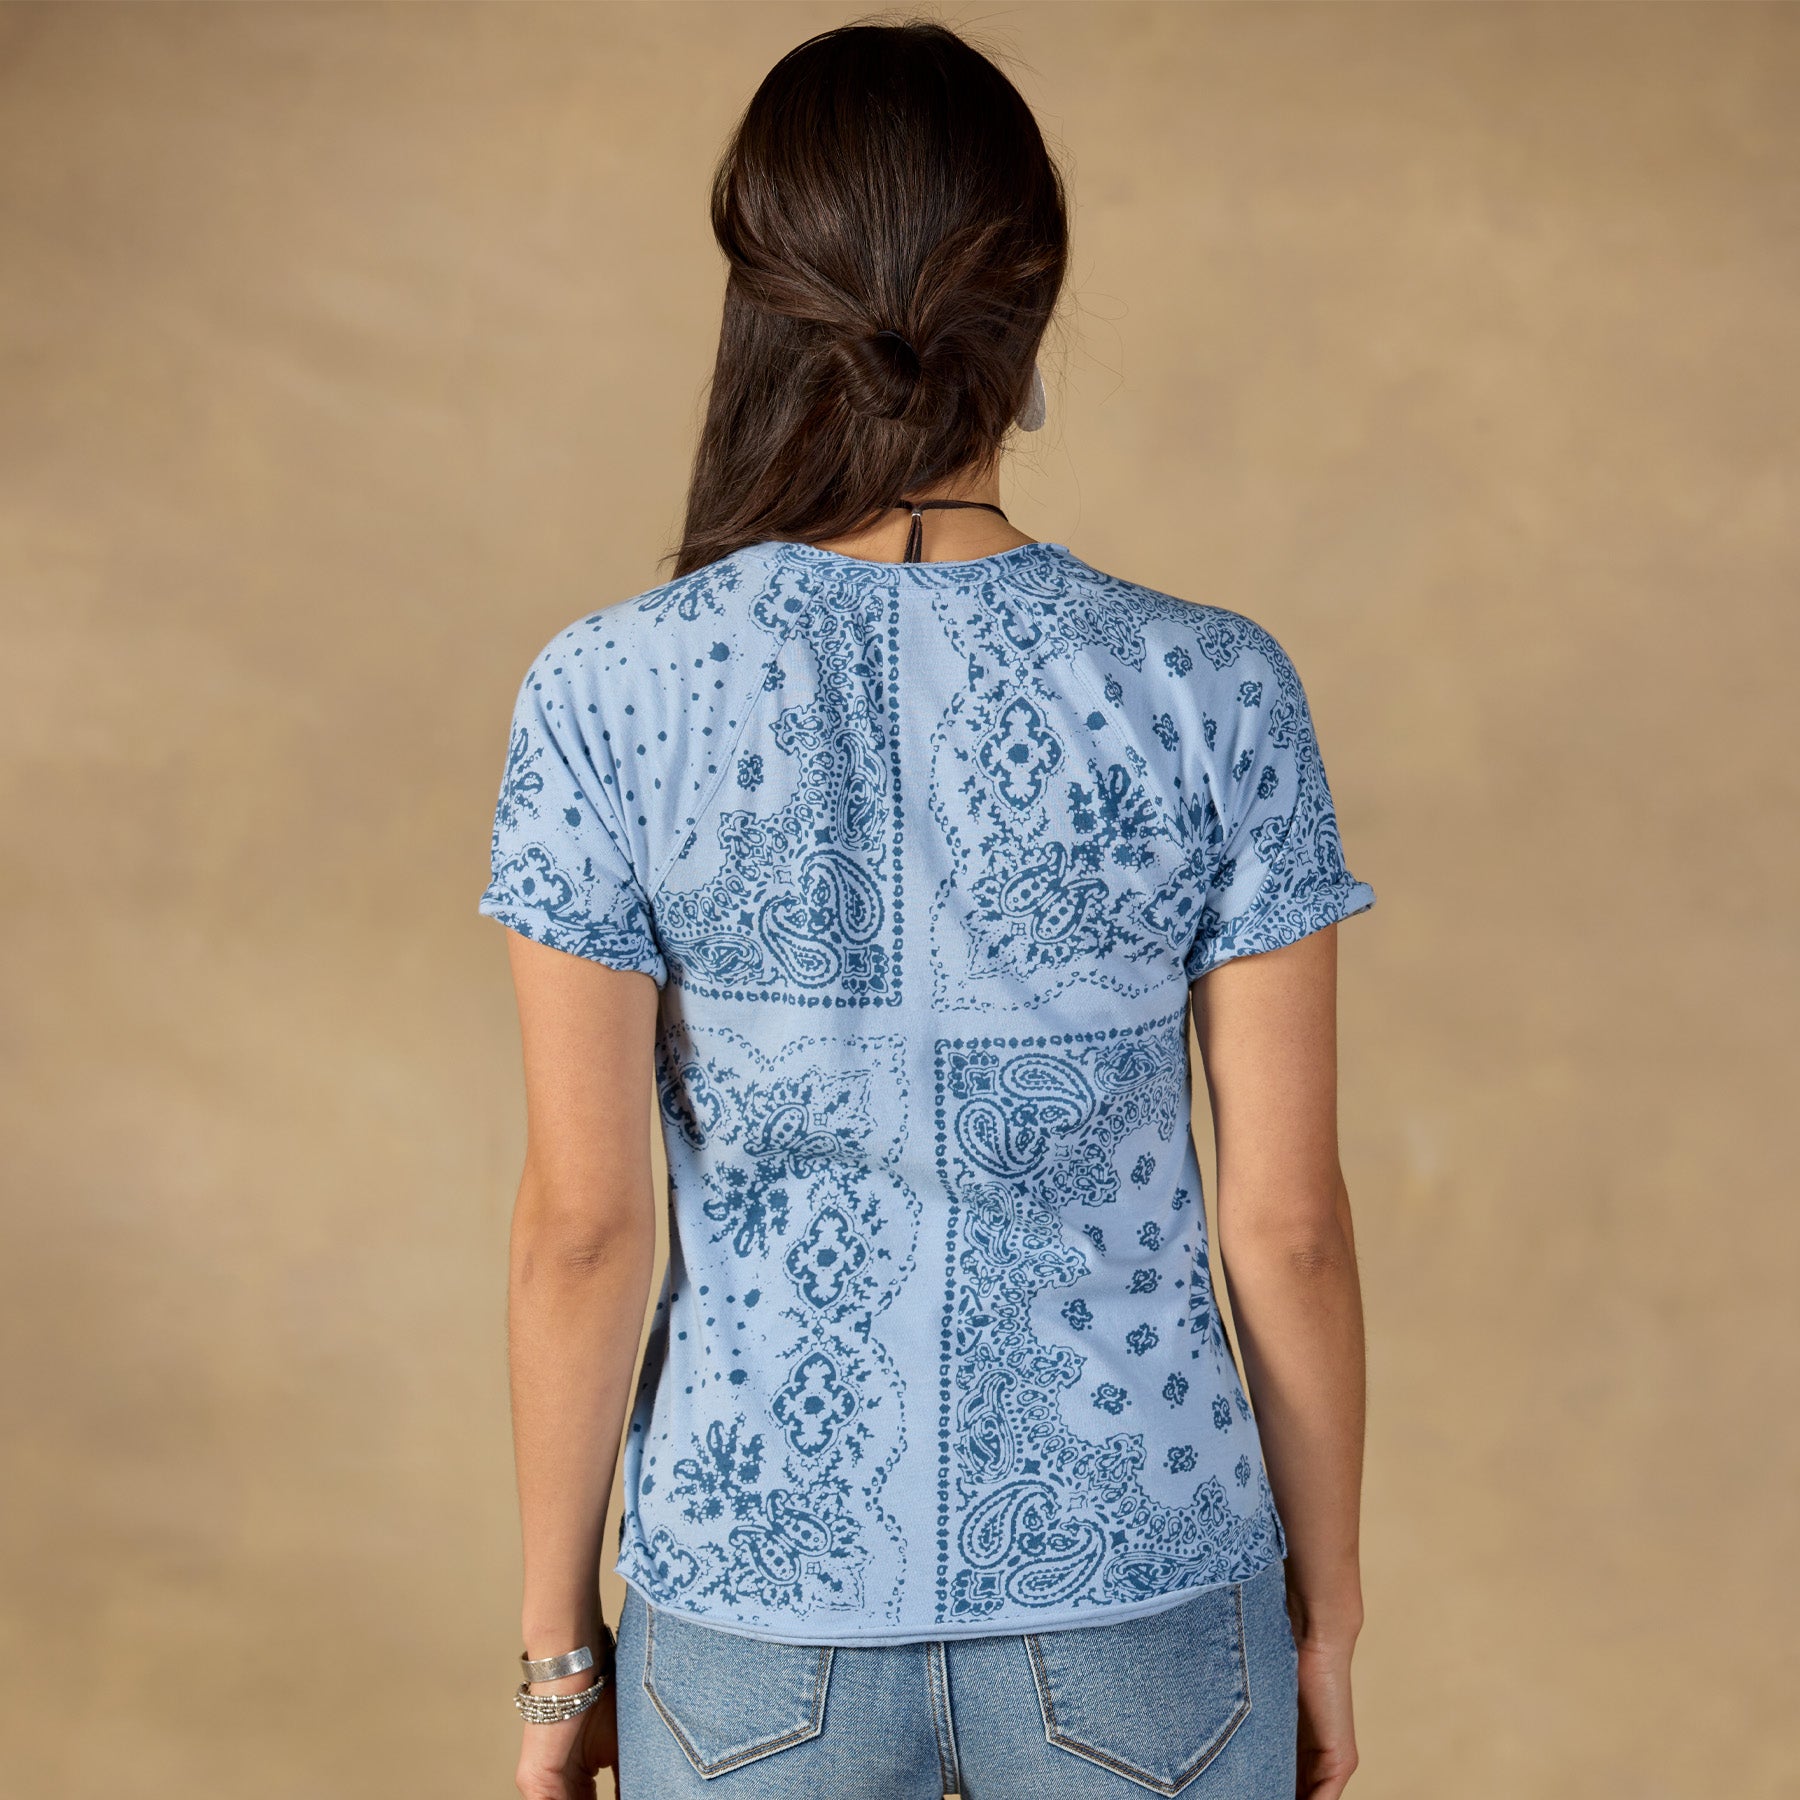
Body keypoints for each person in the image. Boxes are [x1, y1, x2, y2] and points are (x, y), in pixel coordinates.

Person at [479, 20, 1373, 1800]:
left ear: (763, 300)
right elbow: (1286, 1228)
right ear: (1028, 308)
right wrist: (1328, 1614)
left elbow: (584, 1233)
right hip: (1147, 1589)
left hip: (753, 1610)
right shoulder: (1211, 686)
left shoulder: (608, 694)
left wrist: (557, 1652)